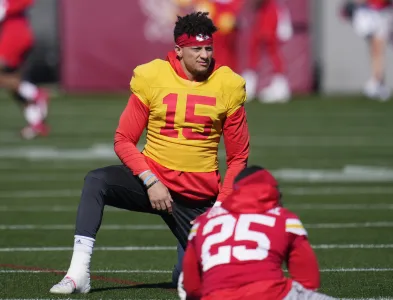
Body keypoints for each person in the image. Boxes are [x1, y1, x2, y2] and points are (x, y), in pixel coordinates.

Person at [49, 11, 250, 294]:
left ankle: (188, 264)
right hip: (154, 181)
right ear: (178, 51)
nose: (204, 55)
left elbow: (239, 156)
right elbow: (123, 139)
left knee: (199, 284)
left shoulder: (228, 84)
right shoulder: (153, 75)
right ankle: (78, 272)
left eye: (208, 48)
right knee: (97, 181)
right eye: (196, 49)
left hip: (197, 196)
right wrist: (151, 180)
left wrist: (222, 206)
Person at [178, 166, 335, 300]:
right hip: (270, 294)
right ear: (273, 192)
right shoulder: (285, 219)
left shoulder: (202, 222)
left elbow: (192, 286)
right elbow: (308, 281)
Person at [0, 0, 50, 139]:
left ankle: (35, 93)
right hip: (14, 36)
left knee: (11, 81)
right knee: (13, 83)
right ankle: (37, 123)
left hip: (15, 37)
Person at [343, 0, 393, 101]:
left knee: (378, 49)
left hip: (384, 12)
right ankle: (377, 81)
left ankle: (377, 82)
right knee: (375, 49)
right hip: (371, 12)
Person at [242, 0, 292, 103]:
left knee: (272, 48)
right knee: (254, 47)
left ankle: (280, 87)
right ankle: (249, 86)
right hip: (262, 11)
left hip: (270, 11)